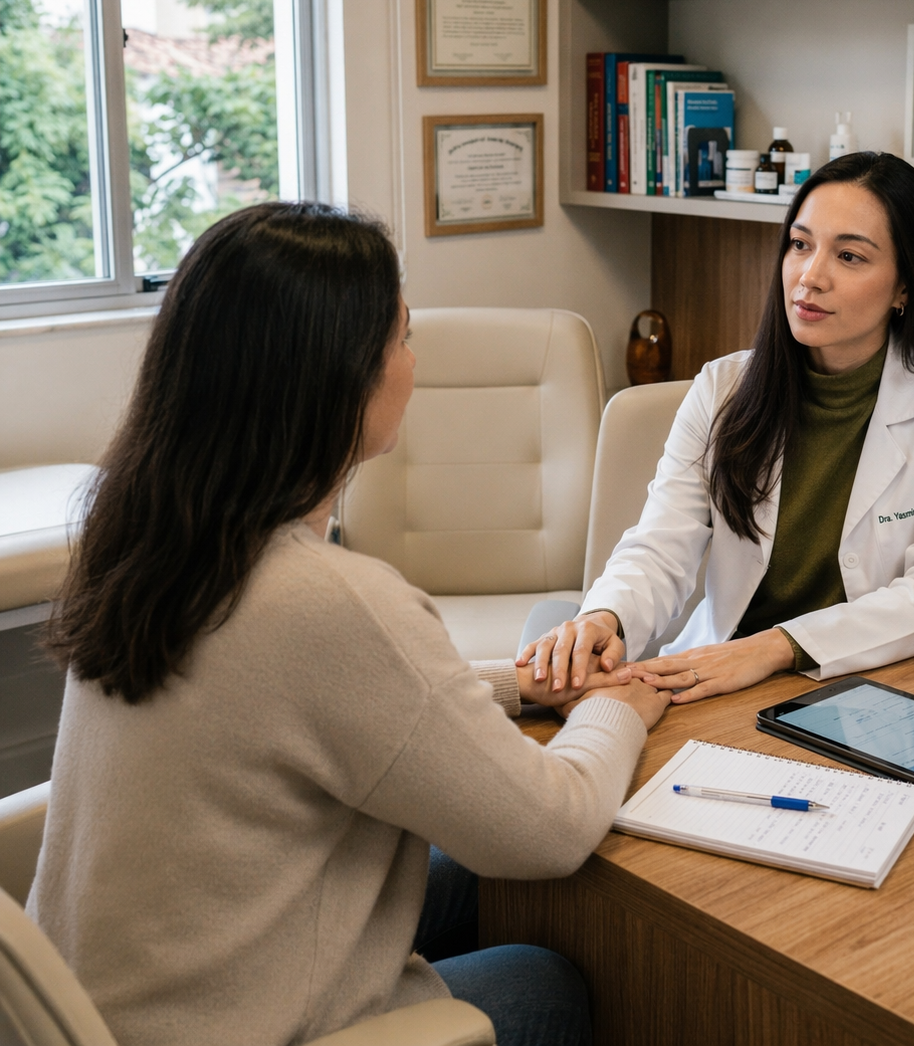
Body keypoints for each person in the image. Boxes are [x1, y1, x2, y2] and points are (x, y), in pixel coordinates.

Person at [28, 202, 669, 1046]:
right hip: (224, 1027)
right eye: (401, 336)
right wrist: (619, 707)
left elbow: (301, 703)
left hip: (94, 1011)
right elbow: (551, 828)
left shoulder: (148, 536)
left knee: (463, 881)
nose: (415, 358)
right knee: (541, 980)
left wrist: (519, 688)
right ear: (338, 377)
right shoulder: (329, 599)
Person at [522, 151, 914, 704]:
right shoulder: (724, 387)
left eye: (849, 256)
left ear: (905, 287)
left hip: (867, 687)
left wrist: (775, 647)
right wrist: (607, 616)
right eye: (800, 245)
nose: (810, 276)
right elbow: (660, 545)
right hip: (718, 681)